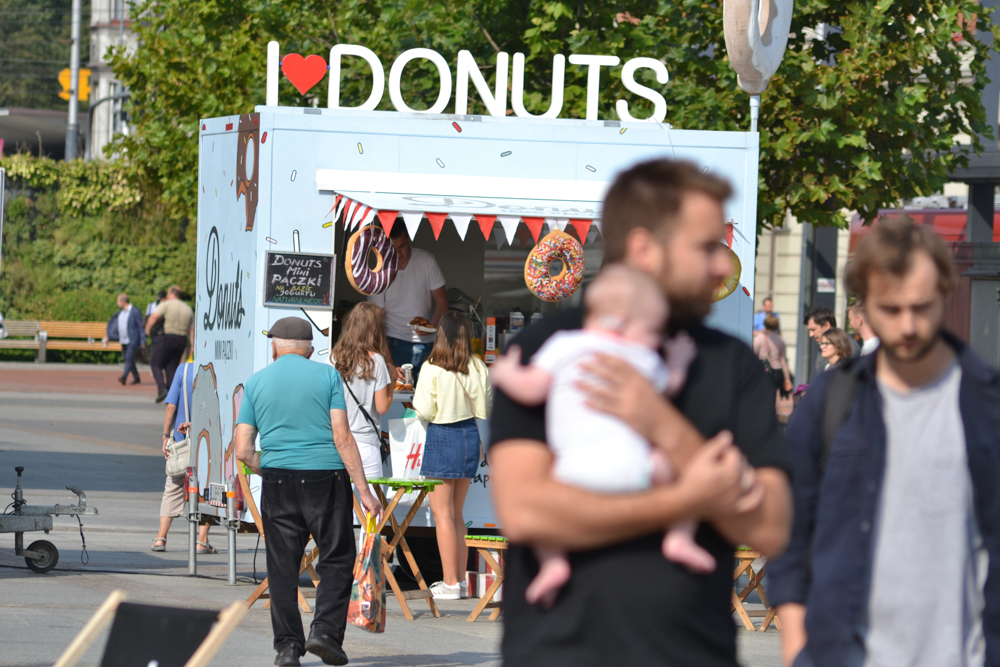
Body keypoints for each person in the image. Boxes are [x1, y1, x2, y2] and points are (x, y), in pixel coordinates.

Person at [488, 159, 791, 666]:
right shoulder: (550, 346)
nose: (722, 266)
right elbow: (526, 512)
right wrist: (690, 497)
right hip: (559, 652)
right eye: (707, 247)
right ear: (645, 249)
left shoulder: (730, 362)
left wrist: (662, 424)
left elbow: (772, 527)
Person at [770, 217, 1000, 667]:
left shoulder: (986, 400)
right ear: (865, 312)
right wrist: (796, 644)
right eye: (891, 310)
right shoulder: (833, 401)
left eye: (922, 306)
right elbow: (788, 526)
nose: (909, 325)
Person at [490, 265, 704, 609]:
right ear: (619, 321)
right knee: (678, 471)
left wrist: (505, 373)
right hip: (637, 468)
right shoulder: (644, 357)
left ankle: (554, 562)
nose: (657, 339)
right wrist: (678, 359)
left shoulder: (564, 344)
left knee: (543, 506)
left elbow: (531, 389)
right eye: (653, 330)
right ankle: (680, 537)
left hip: (573, 473)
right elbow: (669, 387)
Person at [234, 317, 382, 667]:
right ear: (311, 349)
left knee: (282, 565)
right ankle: (325, 633)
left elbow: (242, 449)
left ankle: (287, 647)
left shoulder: (256, 382)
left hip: (278, 480)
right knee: (336, 556)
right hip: (325, 477)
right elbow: (342, 437)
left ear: (275, 346)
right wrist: (364, 490)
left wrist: (265, 467)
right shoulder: (327, 375)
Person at [411, 310, 492, 600]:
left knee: (442, 515)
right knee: (458, 515)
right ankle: (457, 580)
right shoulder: (479, 366)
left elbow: (424, 410)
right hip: (471, 436)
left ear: (441, 334)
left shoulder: (433, 367)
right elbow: (485, 408)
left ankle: (449, 583)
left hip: (443, 435)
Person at [152, 348, 214, 554]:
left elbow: (171, 407)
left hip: (181, 443)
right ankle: (201, 542)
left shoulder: (184, 370)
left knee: (172, 487)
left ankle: (161, 538)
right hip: (207, 443)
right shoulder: (218, 370)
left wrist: (165, 436)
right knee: (207, 491)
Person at [330, 302, 399, 482]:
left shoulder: (333, 358)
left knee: (340, 506)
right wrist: (392, 380)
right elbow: (382, 407)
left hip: (338, 443)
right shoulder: (377, 361)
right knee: (372, 507)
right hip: (366, 443)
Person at [367, 225, 449, 376]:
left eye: (402, 246)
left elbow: (443, 302)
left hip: (427, 344)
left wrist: (432, 326)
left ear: (408, 240)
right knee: (399, 398)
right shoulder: (379, 271)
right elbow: (375, 322)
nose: (398, 253)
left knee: (428, 397)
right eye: (392, 248)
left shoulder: (426, 260)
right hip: (393, 342)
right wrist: (390, 363)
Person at [146, 286, 194, 403]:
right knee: (171, 367)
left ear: (172, 294)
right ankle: (172, 395)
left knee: (155, 364)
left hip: (166, 338)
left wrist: (147, 330)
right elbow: (192, 329)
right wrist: (192, 345)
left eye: (168, 293)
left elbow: (154, 317)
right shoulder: (188, 309)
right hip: (181, 340)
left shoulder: (166, 304)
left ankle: (162, 389)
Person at [804, 306, 860, 377]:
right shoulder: (823, 344)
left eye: (813, 329)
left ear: (827, 325)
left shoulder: (848, 344)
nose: (810, 335)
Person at [104, 294, 145, 386]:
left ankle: (124, 377)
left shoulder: (134, 311)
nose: (117, 303)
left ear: (123, 301)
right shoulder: (121, 313)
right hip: (123, 340)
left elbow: (141, 327)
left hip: (133, 340)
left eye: (118, 301)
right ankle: (137, 377)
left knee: (128, 359)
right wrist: (110, 336)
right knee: (130, 360)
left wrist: (142, 341)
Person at [754, 314, 793, 398]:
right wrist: (787, 379)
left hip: (764, 371)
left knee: (762, 397)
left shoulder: (760, 338)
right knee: (773, 396)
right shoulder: (780, 340)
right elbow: (783, 361)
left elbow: (754, 355)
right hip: (778, 372)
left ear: (765, 324)